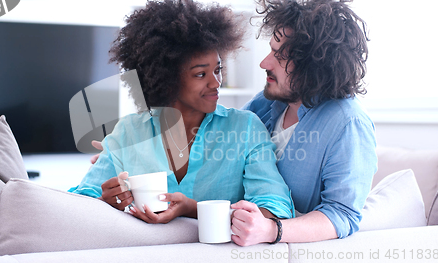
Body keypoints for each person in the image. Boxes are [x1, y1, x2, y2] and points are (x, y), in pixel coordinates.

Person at [69, 0, 294, 241]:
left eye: (217, 70)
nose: (216, 83)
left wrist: (193, 209)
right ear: (167, 79)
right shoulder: (129, 131)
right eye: (201, 74)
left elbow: (276, 210)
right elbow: (77, 203)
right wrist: (105, 201)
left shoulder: (245, 128)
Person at [229, 0, 378, 245]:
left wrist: (270, 230)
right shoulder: (267, 103)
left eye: (280, 57)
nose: (264, 63)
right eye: (270, 50)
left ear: (315, 67)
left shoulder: (349, 123)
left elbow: (342, 214)